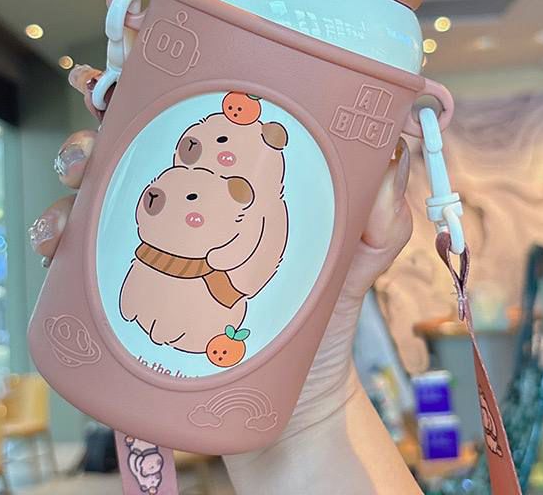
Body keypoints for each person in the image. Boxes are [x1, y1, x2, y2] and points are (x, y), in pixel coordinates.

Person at [30, 64, 421, 495]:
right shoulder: (192, 180)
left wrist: (305, 402)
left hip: (219, 320)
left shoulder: (263, 205)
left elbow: (267, 243)